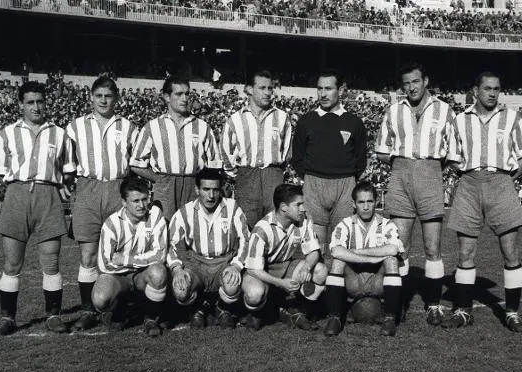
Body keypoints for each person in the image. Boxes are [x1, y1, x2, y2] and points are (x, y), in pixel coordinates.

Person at [442, 72, 522, 333]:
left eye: (497, 89)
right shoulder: (459, 120)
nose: (492, 93)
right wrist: (470, 176)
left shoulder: (512, 117)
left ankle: (512, 313)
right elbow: (452, 157)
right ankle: (463, 311)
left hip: (501, 182)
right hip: (469, 185)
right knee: (465, 253)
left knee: (510, 251)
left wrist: (504, 179)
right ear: (476, 90)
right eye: (487, 88)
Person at [374, 62, 457, 326]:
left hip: (431, 175)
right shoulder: (394, 111)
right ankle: (398, 304)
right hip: (400, 176)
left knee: (433, 247)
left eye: (416, 81)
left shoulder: (444, 110)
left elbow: (453, 152)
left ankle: (433, 305)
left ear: (426, 81)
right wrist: (403, 164)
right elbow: (381, 149)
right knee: (400, 247)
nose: (411, 87)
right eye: (407, 83)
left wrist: (428, 166)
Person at [0, 81, 76, 336]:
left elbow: (69, 172)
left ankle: (53, 315)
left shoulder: (60, 134)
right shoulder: (7, 133)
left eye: (40, 101)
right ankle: (8, 318)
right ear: (21, 105)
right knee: (12, 262)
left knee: (51, 261)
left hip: (48, 195)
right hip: (17, 194)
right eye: (30, 102)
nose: (36, 107)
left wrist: (56, 186)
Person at [66, 76, 139, 331]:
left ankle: (118, 306)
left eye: (108, 96)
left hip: (117, 188)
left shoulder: (128, 127)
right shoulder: (75, 127)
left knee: (118, 251)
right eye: (99, 96)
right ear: (91, 98)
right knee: (87, 255)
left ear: (116, 98)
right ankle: (88, 310)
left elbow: (136, 162)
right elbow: (67, 163)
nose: (103, 101)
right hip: (88, 188)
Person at [291, 70, 367, 255]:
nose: (323, 94)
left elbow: (361, 160)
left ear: (340, 90)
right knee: (316, 247)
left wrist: (345, 178)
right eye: (319, 89)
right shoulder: (307, 121)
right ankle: (319, 284)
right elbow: (297, 158)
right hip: (313, 185)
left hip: (345, 186)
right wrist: (311, 177)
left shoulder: (354, 122)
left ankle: (338, 284)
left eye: (328, 88)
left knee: (343, 245)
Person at [130, 76, 221, 221]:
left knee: (194, 228)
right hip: (165, 186)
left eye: (187, 94)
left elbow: (215, 163)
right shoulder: (153, 127)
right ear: (167, 97)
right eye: (179, 94)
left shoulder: (202, 126)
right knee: (164, 229)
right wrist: (159, 179)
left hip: (193, 185)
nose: (184, 99)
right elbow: (136, 163)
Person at [168, 168, 250, 329]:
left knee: (232, 285)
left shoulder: (232, 208)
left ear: (221, 190)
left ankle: (222, 307)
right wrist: (177, 269)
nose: (211, 196)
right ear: (197, 189)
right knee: (180, 290)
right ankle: (198, 306)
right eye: (206, 189)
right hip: (196, 264)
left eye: (215, 190)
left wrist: (236, 265)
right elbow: (172, 244)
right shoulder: (185, 212)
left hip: (224, 262)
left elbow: (246, 240)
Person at [240, 184, 328, 331]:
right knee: (255, 294)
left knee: (320, 270)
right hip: (261, 271)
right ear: (283, 207)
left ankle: (297, 309)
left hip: (286, 266)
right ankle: (258, 312)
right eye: (298, 204)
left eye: (303, 204)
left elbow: (314, 251)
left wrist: (307, 267)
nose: (303, 208)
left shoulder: (303, 220)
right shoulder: (262, 228)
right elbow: (254, 269)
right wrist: (281, 283)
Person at [323, 182, 404, 337]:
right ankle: (334, 318)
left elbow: (393, 249)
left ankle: (390, 319)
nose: (366, 207)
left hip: (377, 281)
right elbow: (337, 251)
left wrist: (356, 253)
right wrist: (371, 258)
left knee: (392, 260)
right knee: (338, 261)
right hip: (354, 282)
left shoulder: (387, 224)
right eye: (361, 202)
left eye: (369, 201)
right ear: (354, 204)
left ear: (376, 202)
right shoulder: (345, 224)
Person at [92, 177, 169, 337]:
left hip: (142, 275)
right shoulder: (111, 224)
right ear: (124, 202)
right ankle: (120, 308)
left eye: (144, 199)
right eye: (135, 201)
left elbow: (160, 255)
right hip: (119, 277)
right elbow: (105, 264)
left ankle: (150, 318)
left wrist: (126, 259)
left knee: (158, 272)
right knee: (100, 298)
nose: (141, 205)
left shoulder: (155, 216)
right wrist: (143, 259)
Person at [220, 70, 293, 229]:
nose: (268, 93)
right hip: (247, 176)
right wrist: (237, 173)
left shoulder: (281, 117)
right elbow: (225, 151)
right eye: (262, 88)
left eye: (270, 88)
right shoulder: (235, 119)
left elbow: (287, 151)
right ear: (249, 89)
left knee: (275, 225)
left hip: (273, 175)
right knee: (246, 226)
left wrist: (276, 171)